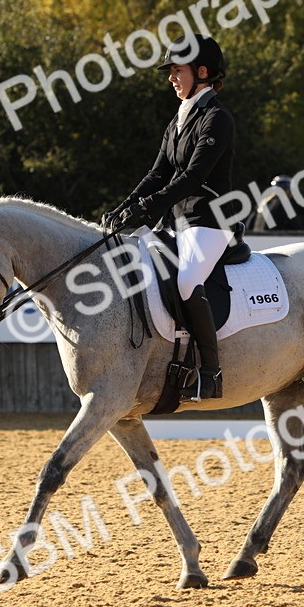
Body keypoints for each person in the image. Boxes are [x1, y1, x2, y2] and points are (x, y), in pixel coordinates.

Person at [102, 34, 238, 400]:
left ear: (203, 72)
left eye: (177, 71)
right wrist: (125, 206)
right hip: (175, 222)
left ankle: (211, 372)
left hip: (208, 221)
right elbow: (158, 174)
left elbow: (192, 177)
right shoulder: (178, 120)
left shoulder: (217, 118)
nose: (171, 78)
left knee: (186, 281)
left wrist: (147, 208)